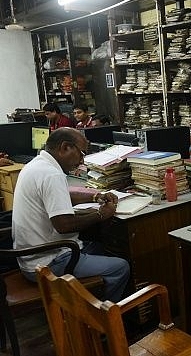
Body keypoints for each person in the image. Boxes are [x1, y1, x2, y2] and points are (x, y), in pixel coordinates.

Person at [11, 127, 130, 302]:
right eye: (81, 154)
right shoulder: (51, 174)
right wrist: (101, 214)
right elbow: (64, 225)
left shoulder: (36, 165)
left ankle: (90, 301)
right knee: (121, 266)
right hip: (48, 263)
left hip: (31, 257)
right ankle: (105, 319)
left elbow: (64, 195)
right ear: (65, 147)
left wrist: (95, 195)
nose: (82, 161)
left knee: (101, 247)